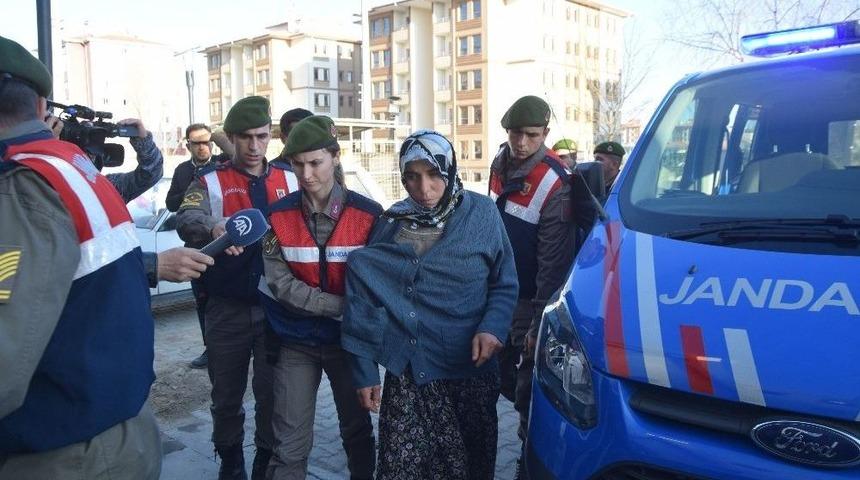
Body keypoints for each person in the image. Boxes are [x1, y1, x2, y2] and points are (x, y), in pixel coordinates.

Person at [0, 34, 164, 479]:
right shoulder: (74, 167)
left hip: (66, 453)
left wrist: (144, 142)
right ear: (39, 108)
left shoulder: (24, 183)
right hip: (112, 433)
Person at [341, 130, 518, 480]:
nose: (423, 188)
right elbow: (364, 300)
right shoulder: (392, 224)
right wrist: (363, 372)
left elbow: (505, 282)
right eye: (412, 176)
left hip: (470, 369)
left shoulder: (482, 214)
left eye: (434, 173)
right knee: (404, 470)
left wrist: (492, 327)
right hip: (411, 373)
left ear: (450, 170)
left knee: (470, 467)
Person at [177, 96, 299, 480]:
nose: (253, 146)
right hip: (226, 307)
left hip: (276, 307)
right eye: (244, 137)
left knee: (271, 397)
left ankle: (264, 461)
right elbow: (187, 215)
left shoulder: (289, 178)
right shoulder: (209, 180)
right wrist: (214, 227)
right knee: (226, 397)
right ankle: (231, 461)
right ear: (230, 138)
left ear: (270, 137)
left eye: (261, 137)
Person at [260, 115, 378, 480]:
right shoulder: (275, 216)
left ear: (335, 157)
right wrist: (340, 308)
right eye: (298, 164)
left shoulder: (370, 215)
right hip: (296, 343)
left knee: (357, 433)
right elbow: (280, 284)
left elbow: (377, 289)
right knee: (289, 445)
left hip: (350, 345)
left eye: (316, 162)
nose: (307, 173)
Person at [490, 95, 585, 478]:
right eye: (516, 134)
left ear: (545, 134)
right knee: (493, 377)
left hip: (531, 300)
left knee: (529, 393)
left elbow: (554, 263)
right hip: (497, 291)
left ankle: (527, 462)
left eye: (531, 135)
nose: (522, 143)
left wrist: (536, 326)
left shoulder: (554, 181)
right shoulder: (501, 163)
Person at [166, 123, 229, 369]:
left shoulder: (223, 165)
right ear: (188, 145)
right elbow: (171, 203)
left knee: (225, 302)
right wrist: (193, 194)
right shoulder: (183, 170)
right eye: (197, 143)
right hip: (195, 245)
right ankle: (209, 349)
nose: (203, 147)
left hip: (223, 245)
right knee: (202, 301)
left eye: (207, 142)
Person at [46, 113, 164, 202]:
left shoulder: (105, 188)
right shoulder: (43, 184)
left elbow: (151, 174)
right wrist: (46, 147)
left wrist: (143, 141)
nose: (88, 154)